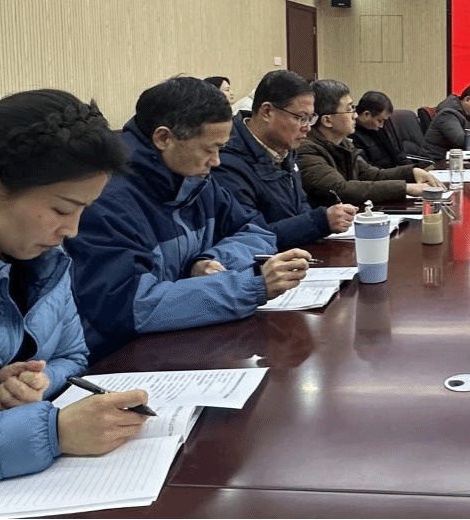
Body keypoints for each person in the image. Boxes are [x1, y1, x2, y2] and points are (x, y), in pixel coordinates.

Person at [0, 89, 149, 493]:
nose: (72, 230)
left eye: (83, 210)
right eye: (61, 210)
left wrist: (36, 382)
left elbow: (73, 355)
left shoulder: (44, 261)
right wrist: (48, 433)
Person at [64, 77, 314, 362]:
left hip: (185, 339)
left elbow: (257, 231)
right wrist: (250, 286)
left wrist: (208, 260)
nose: (217, 161)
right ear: (164, 138)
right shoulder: (106, 199)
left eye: (221, 148)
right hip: (122, 359)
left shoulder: (197, 180)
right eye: (209, 149)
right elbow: (130, 307)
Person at [215, 70, 356, 249]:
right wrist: (320, 221)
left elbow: (301, 205)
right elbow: (249, 237)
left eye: (310, 118)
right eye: (300, 118)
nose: (307, 128)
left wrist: (313, 223)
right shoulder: (226, 162)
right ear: (267, 112)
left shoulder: (284, 146)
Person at [297, 80, 443, 207]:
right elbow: (342, 189)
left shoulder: (343, 143)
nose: (355, 115)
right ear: (327, 120)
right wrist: (405, 188)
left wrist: (412, 172)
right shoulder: (306, 150)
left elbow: (372, 175)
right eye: (349, 110)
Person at [351, 91, 411, 169]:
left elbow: (398, 155)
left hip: (393, 172)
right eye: (379, 121)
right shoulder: (350, 133)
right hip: (379, 174)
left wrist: (411, 170)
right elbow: (366, 171)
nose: (382, 125)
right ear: (366, 114)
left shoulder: (382, 125)